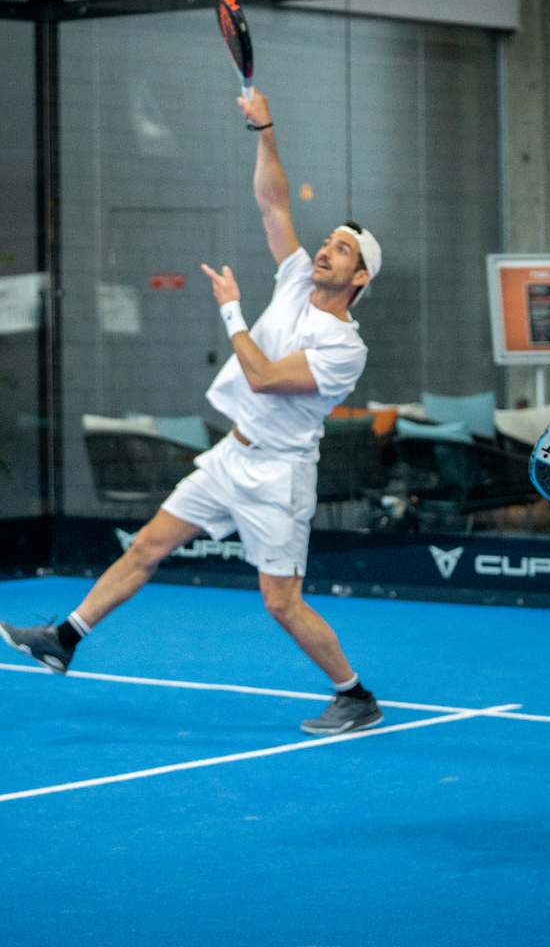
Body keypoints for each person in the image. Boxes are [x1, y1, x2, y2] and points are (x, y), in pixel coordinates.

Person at [0, 88, 385, 738]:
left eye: (342, 250)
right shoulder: (295, 277)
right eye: (327, 241)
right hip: (231, 455)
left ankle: (356, 695)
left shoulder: (344, 348)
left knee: (281, 603)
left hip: (278, 477)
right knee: (149, 543)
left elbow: (264, 378)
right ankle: (64, 638)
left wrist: (232, 309)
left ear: (360, 278)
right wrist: (264, 127)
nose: (324, 250)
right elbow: (273, 200)